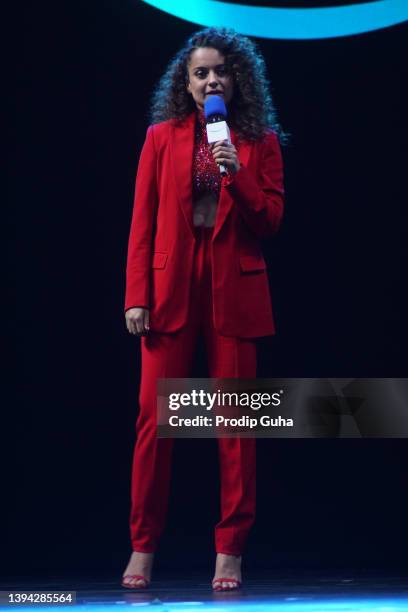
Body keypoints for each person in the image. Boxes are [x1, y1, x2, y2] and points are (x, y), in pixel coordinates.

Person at [122, 27, 285, 591]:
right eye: (200, 72)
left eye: (220, 71)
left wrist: (236, 176)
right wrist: (136, 295)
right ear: (186, 83)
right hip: (170, 288)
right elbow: (142, 222)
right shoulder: (159, 137)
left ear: (237, 79)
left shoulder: (259, 140)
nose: (211, 79)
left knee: (235, 424)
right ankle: (143, 546)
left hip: (233, 286)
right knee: (154, 421)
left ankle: (230, 550)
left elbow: (269, 222)